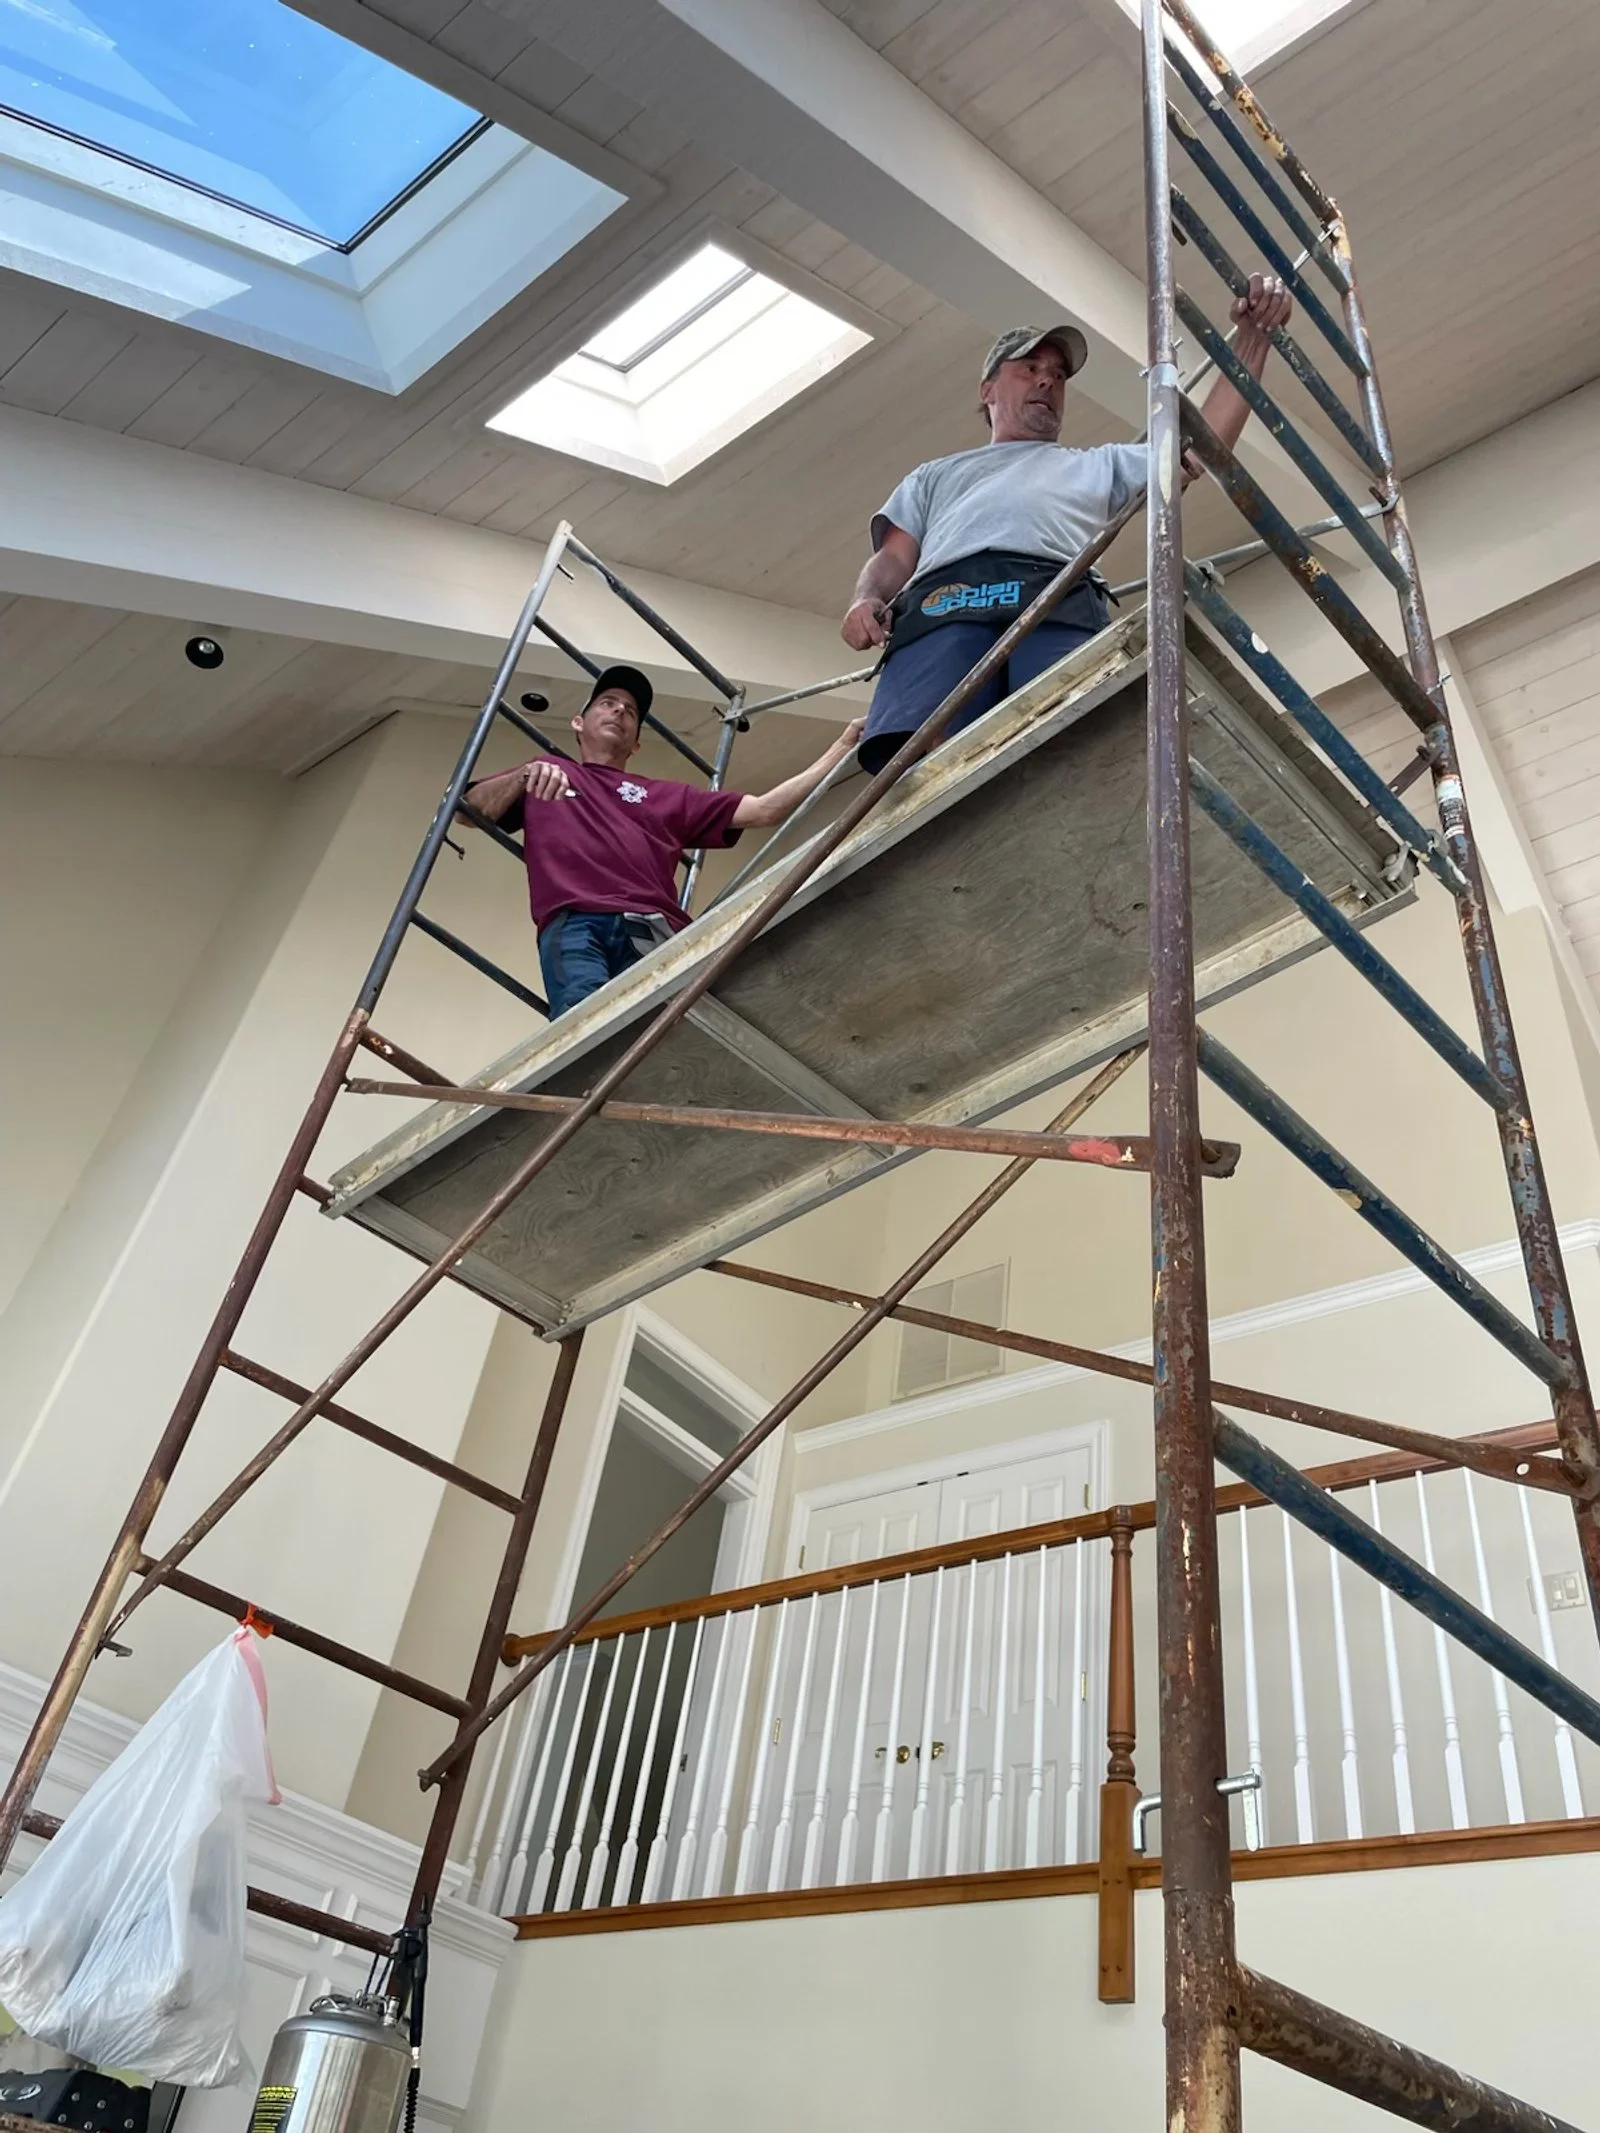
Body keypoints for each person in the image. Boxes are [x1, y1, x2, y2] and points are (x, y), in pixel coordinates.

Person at [842, 275, 1294, 773]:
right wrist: (866, 599)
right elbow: (894, 557)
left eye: (1058, 376)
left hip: (1054, 598)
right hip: (944, 603)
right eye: (1030, 368)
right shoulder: (934, 477)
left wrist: (1253, 343)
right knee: (920, 761)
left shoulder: (1096, 465)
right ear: (988, 389)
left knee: (1074, 742)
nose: (1047, 381)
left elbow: (1196, 448)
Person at [464, 664, 865, 1017]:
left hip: (651, 928)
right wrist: (522, 777)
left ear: (636, 743)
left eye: (631, 711)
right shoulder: (545, 771)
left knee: (665, 1035)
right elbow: (467, 813)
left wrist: (843, 747)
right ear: (577, 722)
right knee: (581, 1032)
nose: (620, 710)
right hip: (575, 924)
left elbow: (764, 809)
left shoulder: (665, 796)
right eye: (607, 702)